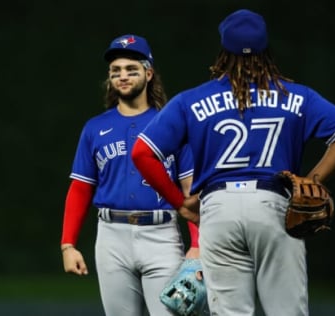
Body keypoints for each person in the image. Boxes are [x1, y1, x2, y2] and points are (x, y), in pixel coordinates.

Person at [131, 9, 335, 316]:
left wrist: (181, 203)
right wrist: (313, 180)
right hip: (274, 206)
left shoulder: (192, 100)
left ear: (223, 52)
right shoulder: (297, 95)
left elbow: (141, 153)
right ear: (266, 50)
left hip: (219, 208)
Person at [60, 34, 200, 316]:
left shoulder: (172, 124)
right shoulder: (95, 128)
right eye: (116, 71)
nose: (122, 76)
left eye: (131, 69)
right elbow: (80, 189)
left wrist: (197, 245)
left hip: (161, 235)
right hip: (112, 237)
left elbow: (191, 192)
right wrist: (68, 245)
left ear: (148, 74)